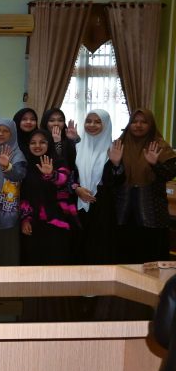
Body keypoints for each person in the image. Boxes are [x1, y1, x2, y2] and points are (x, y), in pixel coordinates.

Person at [102, 109, 176, 263]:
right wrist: (115, 165)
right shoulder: (119, 145)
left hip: (152, 212)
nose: (138, 125)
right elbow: (110, 181)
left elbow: (168, 175)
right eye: (134, 122)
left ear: (151, 125)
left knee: (151, 258)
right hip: (124, 211)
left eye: (144, 122)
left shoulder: (160, 146)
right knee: (124, 256)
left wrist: (155, 164)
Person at [19, 129, 80, 265]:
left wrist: (51, 174)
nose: (37, 146)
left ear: (50, 144)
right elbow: (24, 196)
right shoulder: (27, 165)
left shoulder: (59, 161)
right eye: (33, 143)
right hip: (34, 224)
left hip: (57, 223)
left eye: (42, 142)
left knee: (56, 264)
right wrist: (25, 219)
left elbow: (64, 181)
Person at [73, 110, 115, 264]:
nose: (92, 125)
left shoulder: (113, 150)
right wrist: (77, 188)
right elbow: (68, 175)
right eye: (88, 121)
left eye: (98, 122)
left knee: (98, 250)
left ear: (106, 124)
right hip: (77, 206)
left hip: (102, 208)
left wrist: (116, 165)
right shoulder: (76, 148)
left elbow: (117, 183)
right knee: (78, 249)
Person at [0, 119, 27, 266]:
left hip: (5, 210)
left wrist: (7, 167)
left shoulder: (16, 154)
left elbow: (19, 174)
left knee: (5, 250)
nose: (1, 134)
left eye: (5, 131)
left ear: (12, 134)